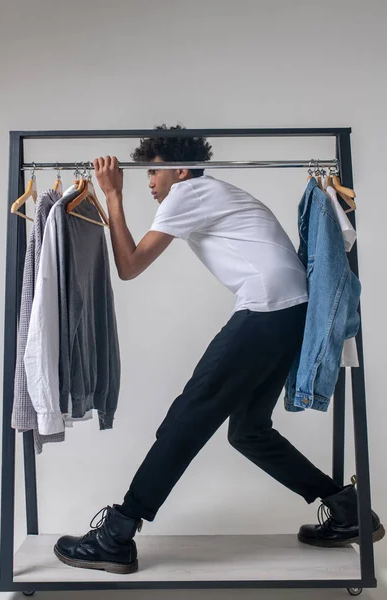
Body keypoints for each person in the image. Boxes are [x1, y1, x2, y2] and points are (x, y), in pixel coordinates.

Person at [54, 125, 384, 574]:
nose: (149, 183)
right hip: (288, 314)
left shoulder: (189, 193)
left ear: (180, 171)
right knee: (247, 431)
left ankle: (117, 533)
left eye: (154, 173)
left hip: (267, 311)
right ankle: (348, 510)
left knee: (186, 419)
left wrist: (112, 195)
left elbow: (129, 266)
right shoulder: (207, 194)